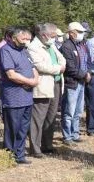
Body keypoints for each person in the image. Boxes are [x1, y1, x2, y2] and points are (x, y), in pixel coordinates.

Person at [0, 26, 38, 164]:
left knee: (23, 128)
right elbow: (11, 74)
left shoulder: (24, 51)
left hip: (27, 97)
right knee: (13, 128)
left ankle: (20, 156)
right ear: (14, 38)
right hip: (14, 97)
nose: (27, 41)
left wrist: (35, 80)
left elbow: (33, 67)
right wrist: (29, 81)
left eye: (28, 38)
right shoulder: (6, 51)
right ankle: (9, 156)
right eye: (24, 38)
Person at [27, 23, 65, 157]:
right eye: (53, 36)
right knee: (38, 118)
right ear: (44, 35)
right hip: (43, 86)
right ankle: (35, 148)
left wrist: (59, 66)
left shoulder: (51, 45)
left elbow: (62, 59)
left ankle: (47, 145)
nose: (55, 39)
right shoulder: (33, 47)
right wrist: (58, 68)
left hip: (56, 83)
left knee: (51, 117)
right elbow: (39, 66)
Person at [59, 22, 90, 144]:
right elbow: (70, 67)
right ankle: (67, 136)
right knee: (69, 111)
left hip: (81, 82)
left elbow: (86, 61)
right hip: (71, 83)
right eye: (80, 32)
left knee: (78, 111)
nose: (82, 34)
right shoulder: (67, 46)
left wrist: (88, 73)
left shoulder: (81, 45)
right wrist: (84, 75)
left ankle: (75, 134)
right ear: (72, 33)